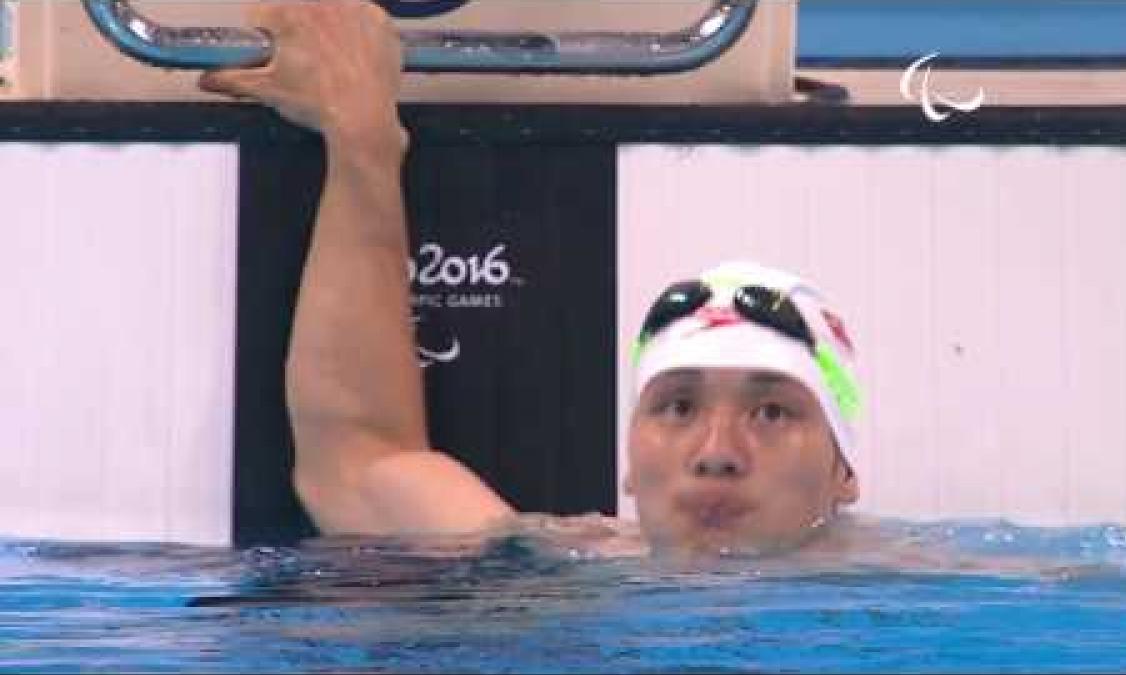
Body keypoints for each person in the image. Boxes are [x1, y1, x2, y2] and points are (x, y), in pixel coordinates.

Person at [198, 0, 863, 558]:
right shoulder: (572, 573)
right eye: (678, 406)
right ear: (629, 464)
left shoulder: (925, 582)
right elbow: (355, 465)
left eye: (772, 411)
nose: (717, 453)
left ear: (845, 471)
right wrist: (361, 138)